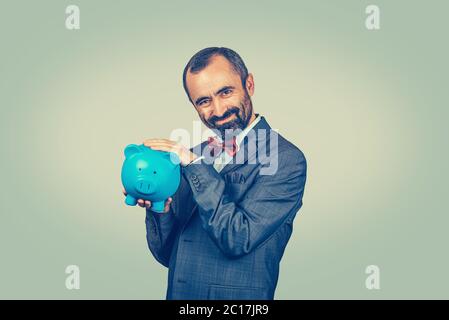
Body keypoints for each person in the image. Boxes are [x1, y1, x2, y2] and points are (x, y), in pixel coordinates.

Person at [123, 47, 307, 299]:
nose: (218, 110)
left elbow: (238, 238)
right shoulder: (194, 155)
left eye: (226, 92)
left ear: (249, 84)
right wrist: (159, 207)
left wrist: (194, 164)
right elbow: (169, 254)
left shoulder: (286, 159)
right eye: (204, 101)